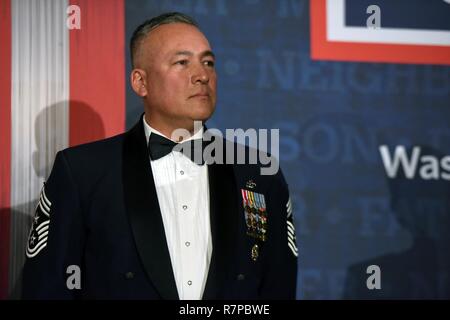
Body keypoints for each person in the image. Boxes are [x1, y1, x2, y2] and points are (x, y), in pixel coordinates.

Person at [22, 12, 298, 300]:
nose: (202, 75)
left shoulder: (258, 172)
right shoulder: (82, 172)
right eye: (182, 62)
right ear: (141, 82)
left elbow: (278, 286)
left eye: (208, 62)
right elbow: (48, 286)